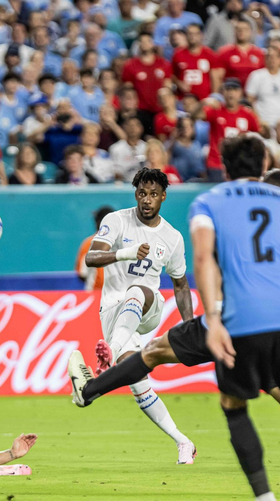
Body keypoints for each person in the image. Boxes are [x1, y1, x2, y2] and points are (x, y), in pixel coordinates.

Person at [67, 166, 280, 501]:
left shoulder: (234, 216)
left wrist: (203, 320)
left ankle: (89, 390)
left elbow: (206, 264)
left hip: (233, 321)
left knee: (156, 356)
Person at [74, 168, 197, 463]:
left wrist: (190, 325)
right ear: (135, 194)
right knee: (138, 383)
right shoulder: (115, 221)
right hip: (114, 314)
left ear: (163, 197)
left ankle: (108, 355)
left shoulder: (172, 238)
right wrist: (126, 252)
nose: (147, 200)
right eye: (142, 193)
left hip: (148, 307)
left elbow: (180, 285)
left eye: (153, 194)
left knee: (138, 290)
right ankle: (183, 441)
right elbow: (92, 258)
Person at [198, 78, 260, 182]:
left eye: (234, 90)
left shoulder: (248, 114)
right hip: (216, 163)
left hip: (239, 164)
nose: (231, 93)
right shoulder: (215, 110)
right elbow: (195, 115)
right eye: (228, 89)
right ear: (223, 92)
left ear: (240, 92)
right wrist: (203, 103)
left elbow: (259, 132)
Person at [244, 47, 280, 128]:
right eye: (269, 56)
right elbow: (249, 102)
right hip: (263, 123)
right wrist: (258, 121)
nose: (272, 59)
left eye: (276, 57)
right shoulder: (256, 76)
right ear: (265, 59)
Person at [172, 23, 218, 101]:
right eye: (190, 33)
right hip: (183, 100)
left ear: (201, 35)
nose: (192, 36)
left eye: (196, 34)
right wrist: (179, 83)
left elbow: (215, 77)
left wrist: (214, 96)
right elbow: (171, 74)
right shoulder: (178, 54)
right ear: (186, 36)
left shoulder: (209, 54)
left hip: (204, 99)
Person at [76, 205, 114, 291]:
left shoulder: (89, 243)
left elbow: (82, 274)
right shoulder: (124, 242)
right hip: (118, 296)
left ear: (98, 222)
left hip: (95, 294)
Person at [109, 116, 148, 183]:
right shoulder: (115, 148)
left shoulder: (147, 147)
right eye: (129, 125)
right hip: (123, 184)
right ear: (124, 128)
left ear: (141, 128)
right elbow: (112, 170)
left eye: (136, 125)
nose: (132, 128)